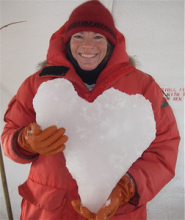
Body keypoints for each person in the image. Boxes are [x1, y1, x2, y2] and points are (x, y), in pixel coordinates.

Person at [1, 0, 180, 219]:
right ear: (67, 42)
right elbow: (9, 135)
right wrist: (24, 141)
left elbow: (164, 147)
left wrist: (128, 187)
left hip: (117, 212)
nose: (88, 45)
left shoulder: (142, 87)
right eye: (78, 36)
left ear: (111, 43)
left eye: (97, 37)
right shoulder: (38, 84)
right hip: (48, 211)